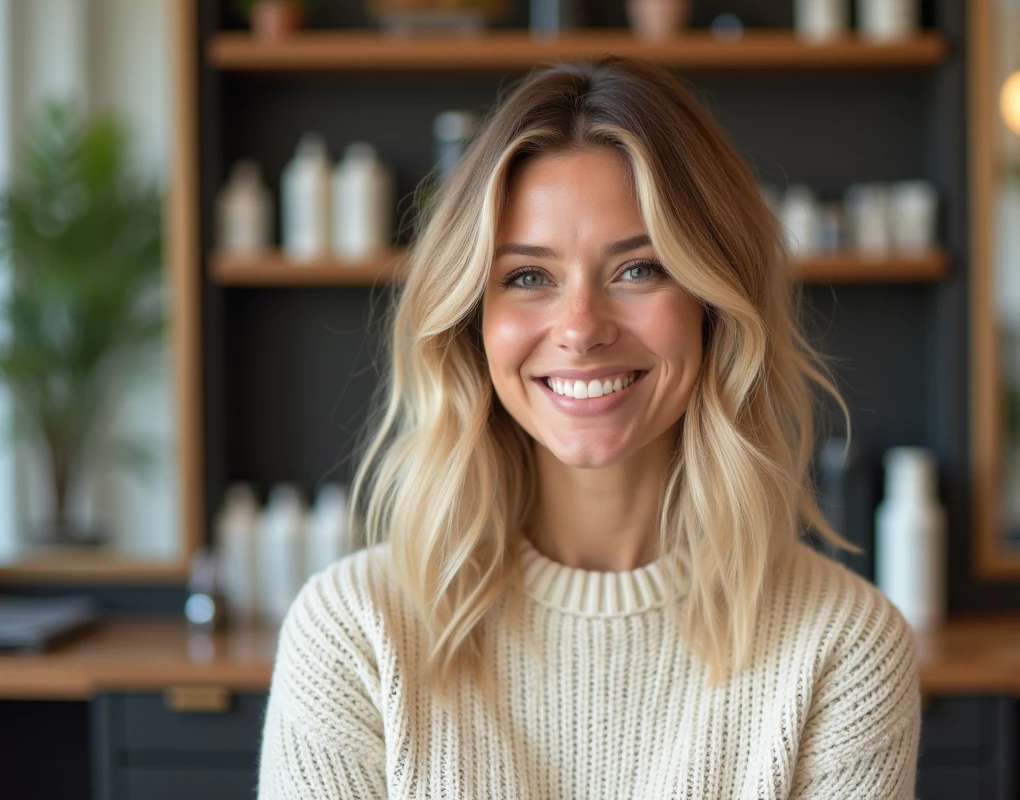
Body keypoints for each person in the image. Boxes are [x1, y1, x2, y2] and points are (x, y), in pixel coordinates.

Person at [257, 56, 921, 799]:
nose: (580, 329)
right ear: (473, 321)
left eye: (638, 269)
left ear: (716, 304)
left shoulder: (842, 646)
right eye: (528, 277)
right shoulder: (355, 634)